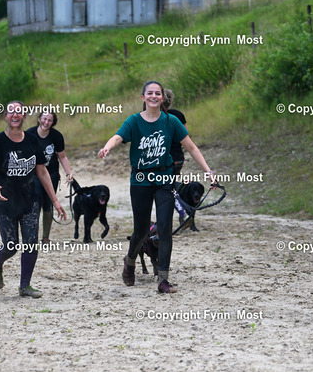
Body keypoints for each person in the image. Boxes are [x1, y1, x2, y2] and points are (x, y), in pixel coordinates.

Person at [98, 81, 216, 294]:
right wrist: (107, 147)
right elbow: (118, 137)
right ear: (143, 97)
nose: (153, 96)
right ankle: (130, 260)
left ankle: (163, 280)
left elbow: (191, 147)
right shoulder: (134, 121)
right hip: (140, 180)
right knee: (141, 229)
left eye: (157, 93)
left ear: (162, 98)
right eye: (149, 93)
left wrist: (208, 171)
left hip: (164, 179)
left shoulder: (171, 121)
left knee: (164, 228)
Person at [0, 101, 67, 298]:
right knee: (10, 246)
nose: (15, 115)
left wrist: (55, 201)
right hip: (4, 202)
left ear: (24, 116)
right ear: (5, 116)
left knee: (31, 244)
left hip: (29, 200)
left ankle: (25, 286)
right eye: (11, 112)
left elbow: (42, 172)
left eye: (19, 112)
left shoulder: (32, 141)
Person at [26, 112, 73, 243]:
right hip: (34, 174)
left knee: (49, 203)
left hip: (51, 173)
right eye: (44, 119)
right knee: (35, 202)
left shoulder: (56, 136)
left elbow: (62, 156)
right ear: (39, 119)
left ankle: (45, 237)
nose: (46, 122)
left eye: (50, 120)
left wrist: (68, 172)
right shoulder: (29, 134)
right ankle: (32, 236)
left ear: (53, 122)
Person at [162, 89, 187, 176]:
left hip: (160, 161)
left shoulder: (151, 117)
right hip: (177, 157)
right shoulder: (178, 114)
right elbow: (185, 136)